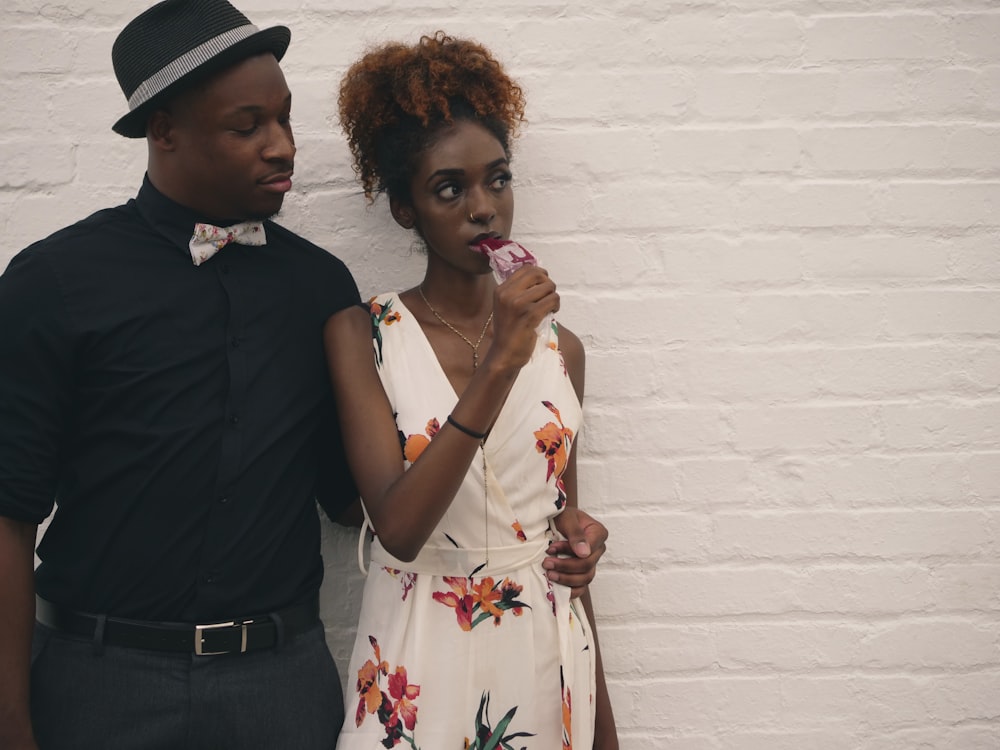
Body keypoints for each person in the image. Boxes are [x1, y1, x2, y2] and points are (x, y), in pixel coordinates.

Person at [0, 2, 608, 749]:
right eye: (247, 125)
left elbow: (354, 503)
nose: (282, 146)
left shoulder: (319, 291)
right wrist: (11, 720)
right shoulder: (54, 283)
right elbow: (8, 511)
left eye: (284, 119)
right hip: (100, 680)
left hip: (277, 686)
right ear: (164, 130)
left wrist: (542, 520)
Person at [326, 33, 618, 748]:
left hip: (544, 653)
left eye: (498, 178)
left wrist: (604, 726)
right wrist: (497, 366)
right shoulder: (359, 335)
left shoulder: (563, 349)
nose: (484, 208)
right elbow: (396, 528)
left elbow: (564, 542)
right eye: (449, 189)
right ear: (405, 210)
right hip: (417, 655)